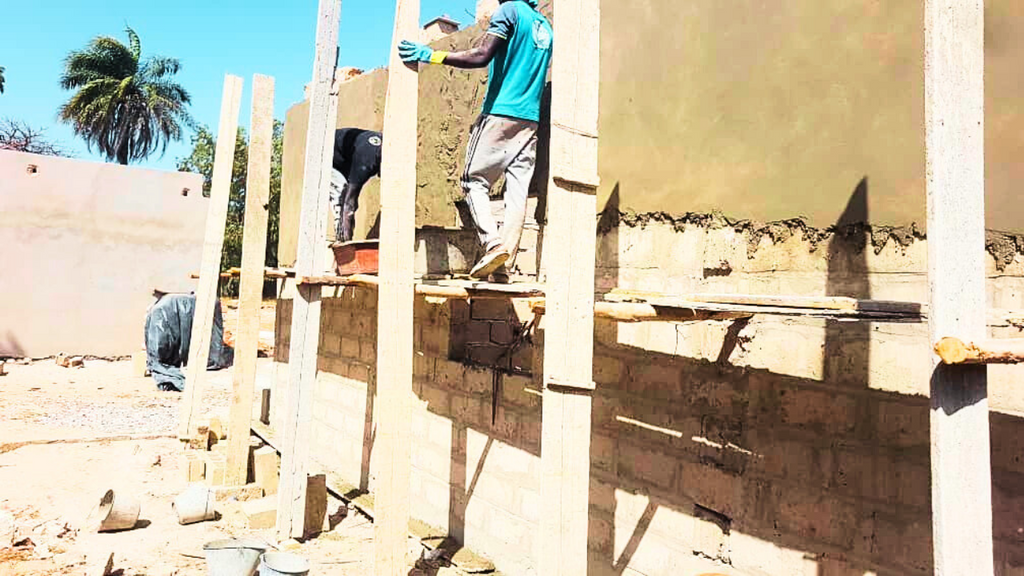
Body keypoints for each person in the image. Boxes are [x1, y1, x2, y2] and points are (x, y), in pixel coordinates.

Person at [399, 0, 553, 282]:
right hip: (530, 119)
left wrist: (430, 55)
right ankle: (503, 266)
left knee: (473, 181)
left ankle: (493, 245)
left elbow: (482, 55)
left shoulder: (510, 11)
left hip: (500, 112)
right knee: (517, 192)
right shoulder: (544, 26)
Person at [330, 127, 383, 243]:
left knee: (351, 200)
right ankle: (343, 243)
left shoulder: (385, 145)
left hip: (347, 155)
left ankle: (345, 237)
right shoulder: (367, 161)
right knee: (343, 198)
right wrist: (349, 244)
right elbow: (349, 202)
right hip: (328, 155)